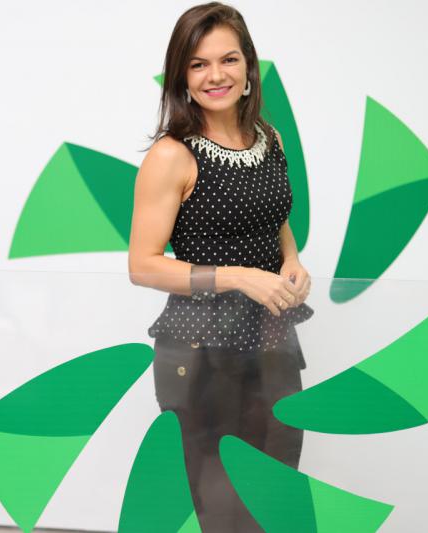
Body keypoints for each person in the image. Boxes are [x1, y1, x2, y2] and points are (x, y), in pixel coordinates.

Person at [128, 3, 314, 532]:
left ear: (248, 65)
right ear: (182, 76)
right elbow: (142, 265)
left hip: (272, 337)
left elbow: (274, 220)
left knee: (274, 484)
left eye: (228, 59)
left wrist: (292, 260)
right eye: (198, 64)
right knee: (220, 501)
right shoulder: (172, 156)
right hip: (200, 349)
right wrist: (236, 276)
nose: (216, 75)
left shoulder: (270, 139)